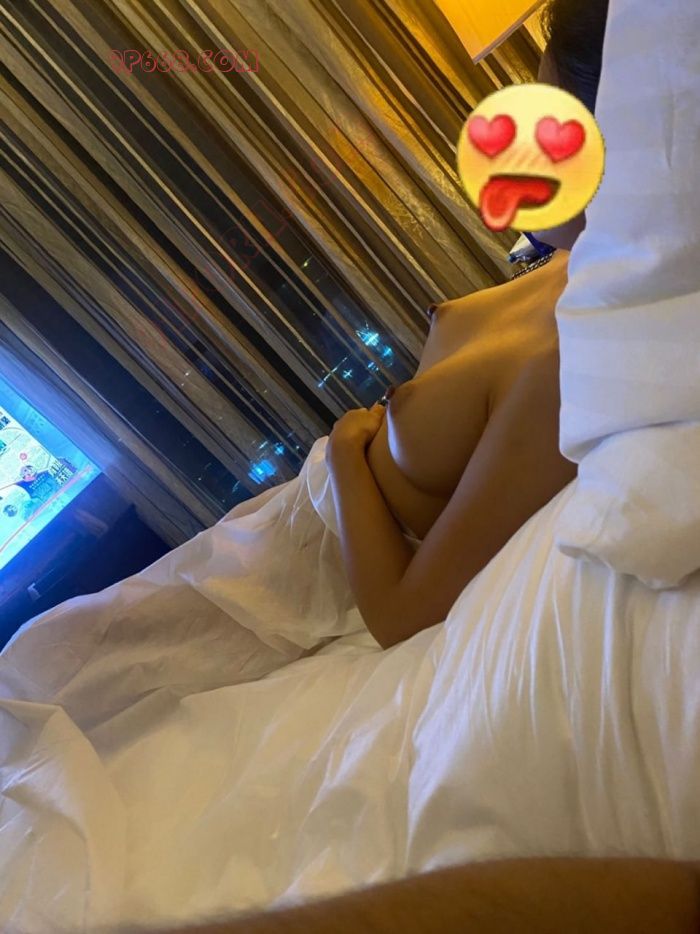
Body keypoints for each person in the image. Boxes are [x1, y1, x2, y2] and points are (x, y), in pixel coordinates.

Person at [326, 0, 609, 651]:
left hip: (332, 562)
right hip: (305, 525)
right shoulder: (576, 260)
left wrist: (343, 450)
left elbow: (401, 616)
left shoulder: (567, 363)